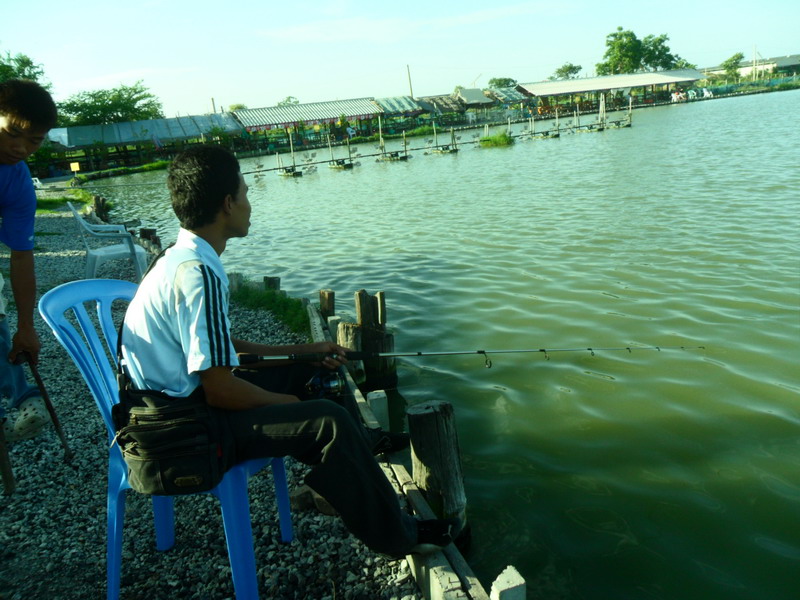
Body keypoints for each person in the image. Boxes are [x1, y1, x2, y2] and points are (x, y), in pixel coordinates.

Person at [120, 145, 457, 557]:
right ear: (227, 204)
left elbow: (220, 352)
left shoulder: (178, 258)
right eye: (245, 193)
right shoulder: (198, 274)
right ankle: (400, 535)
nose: (249, 203)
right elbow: (221, 391)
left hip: (171, 406)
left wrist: (303, 352)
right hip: (184, 431)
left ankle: (356, 460)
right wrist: (288, 401)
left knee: (309, 374)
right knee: (327, 420)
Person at [0, 79, 58, 442]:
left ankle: (18, 397)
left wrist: (26, 326)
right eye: (12, 133)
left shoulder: (18, 180)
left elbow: (21, 255)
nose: (21, 148)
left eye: (34, 141)